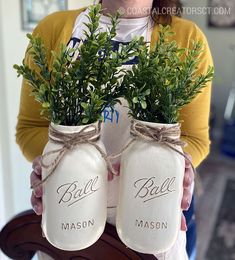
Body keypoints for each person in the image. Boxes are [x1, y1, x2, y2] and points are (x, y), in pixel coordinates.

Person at [16, 0, 213, 259]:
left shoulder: (187, 39)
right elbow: (30, 129)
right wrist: (55, 163)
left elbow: (194, 139)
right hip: (71, 212)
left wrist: (180, 167)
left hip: (151, 214)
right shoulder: (54, 30)